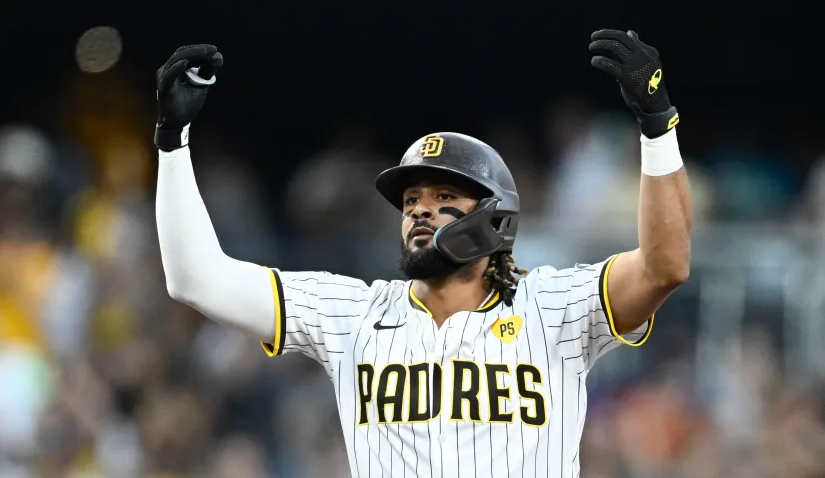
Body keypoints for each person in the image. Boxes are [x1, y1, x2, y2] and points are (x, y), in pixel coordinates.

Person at [154, 30, 692, 477]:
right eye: (411, 199)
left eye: (443, 197)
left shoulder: (554, 306)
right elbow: (195, 279)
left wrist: (657, 128)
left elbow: (664, 266)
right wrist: (172, 143)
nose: (419, 210)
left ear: (494, 215)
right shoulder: (354, 315)